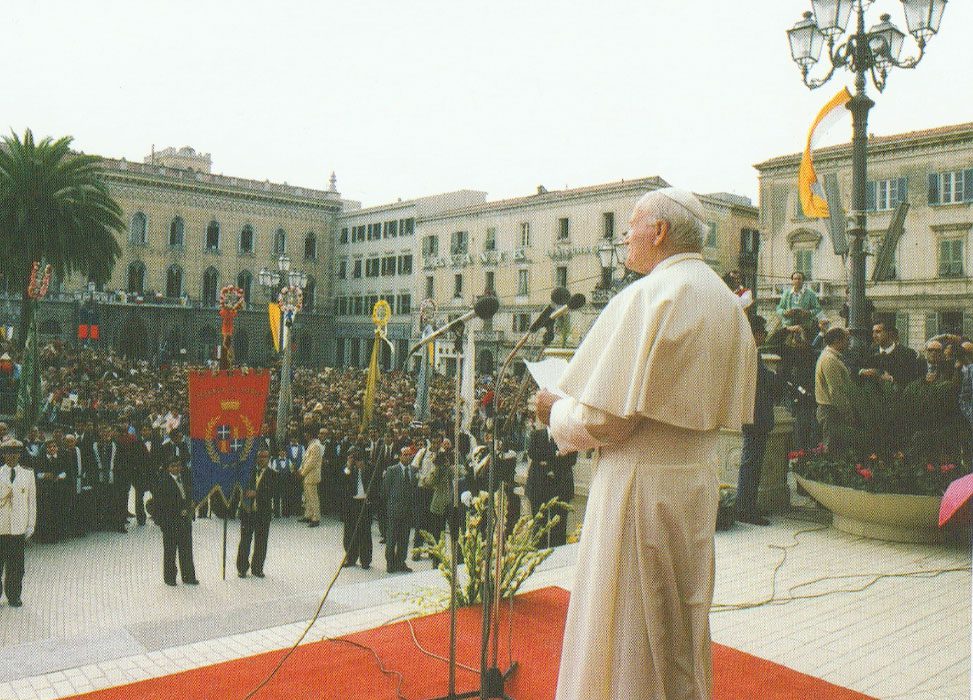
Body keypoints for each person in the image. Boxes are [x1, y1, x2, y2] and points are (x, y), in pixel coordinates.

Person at [534, 187, 756, 700]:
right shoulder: (726, 300)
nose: (624, 238)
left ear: (657, 232)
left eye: (631, 226)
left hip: (638, 487)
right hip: (695, 481)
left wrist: (554, 410)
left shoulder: (648, 295)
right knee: (680, 615)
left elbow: (608, 418)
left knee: (628, 625)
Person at [736, 315, 783, 526]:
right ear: (756, 333)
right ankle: (746, 509)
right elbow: (763, 380)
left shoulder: (749, 352)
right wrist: (778, 377)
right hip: (755, 417)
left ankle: (747, 505)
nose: (764, 337)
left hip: (755, 416)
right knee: (751, 465)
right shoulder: (750, 353)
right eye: (762, 333)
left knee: (751, 463)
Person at [525, 426, 577, 547]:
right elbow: (532, 453)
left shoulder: (568, 436)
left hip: (561, 487)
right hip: (538, 487)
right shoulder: (536, 435)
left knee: (559, 530)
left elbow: (571, 459)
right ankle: (537, 561)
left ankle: (556, 561)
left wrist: (545, 460)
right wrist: (556, 454)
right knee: (538, 528)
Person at [0, 438, 37, 607]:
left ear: (20, 455)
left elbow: (32, 502)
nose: (12, 457)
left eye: (15, 453)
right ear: (3, 455)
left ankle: (14, 596)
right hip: (1, 528)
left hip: (18, 528)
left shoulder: (28, 474)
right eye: (8, 453)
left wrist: (30, 525)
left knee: (16, 567)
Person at [151, 455, 199, 586]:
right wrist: (165, 522)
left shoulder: (185, 479)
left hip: (185, 521)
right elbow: (159, 505)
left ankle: (188, 576)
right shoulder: (163, 483)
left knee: (186, 550)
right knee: (170, 552)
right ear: (167, 468)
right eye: (173, 466)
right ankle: (170, 578)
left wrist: (191, 506)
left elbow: (189, 495)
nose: (176, 468)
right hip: (171, 523)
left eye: (178, 465)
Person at [237, 448, 275, 578]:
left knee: (261, 542)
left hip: (263, 513)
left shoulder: (272, 474)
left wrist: (257, 494)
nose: (262, 459)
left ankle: (257, 568)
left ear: (269, 459)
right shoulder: (248, 472)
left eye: (265, 457)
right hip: (248, 512)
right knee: (245, 541)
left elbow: (273, 492)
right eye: (259, 456)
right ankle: (242, 568)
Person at [815, 327, 854, 451]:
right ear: (837, 341)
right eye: (846, 340)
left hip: (832, 410)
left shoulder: (831, 357)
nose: (848, 343)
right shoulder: (829, 359)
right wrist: (847, 413)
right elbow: (836, 391)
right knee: (832, 449)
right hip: (831, 411)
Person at [383, 446, 418, 573]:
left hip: (408, 511)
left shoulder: (414, 470)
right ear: (400, 456)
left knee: (404, 539)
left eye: (410, 455)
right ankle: (390, 563)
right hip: (394, 510)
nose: (408, 457)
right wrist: (391, 505)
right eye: (405, 454)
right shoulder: (392, 470)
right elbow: (385, 490)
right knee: (391, 539)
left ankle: (401, 562)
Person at [339, 449, 374, 569]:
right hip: (352, 504)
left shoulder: (369, 469)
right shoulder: (349, 470)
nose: (358, 463)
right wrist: (348, 465)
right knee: (350, 533)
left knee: (365, 534)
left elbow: (375, 484)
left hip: (364, 504)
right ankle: (351, 558)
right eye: (356, 460)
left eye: (360, 460)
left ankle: (366, 560)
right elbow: (343, 478)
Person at [860, 321, 919, 388]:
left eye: (878, 332)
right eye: (873, 332)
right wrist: (863, 371)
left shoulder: (907, 354)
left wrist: (891, 379)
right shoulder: (868, 352)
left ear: (889, 333)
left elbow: (913, 380)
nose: (874, 336)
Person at [298, 428, 322, 527]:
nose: (304, 435)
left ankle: (316, 518)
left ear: (310, 434)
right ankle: (308, 515)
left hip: (311, 475)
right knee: (307, 497)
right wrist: (301, 469)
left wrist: (302, 473)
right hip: (308, 475)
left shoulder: (316, 445)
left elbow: (311, 462)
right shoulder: (311, 444)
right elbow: (305, 460)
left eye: (306, 433)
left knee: (313, 498)